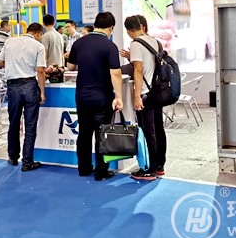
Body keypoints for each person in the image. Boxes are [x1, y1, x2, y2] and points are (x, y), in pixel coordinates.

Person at [67, 12, 124, 181]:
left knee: (84, 133)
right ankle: (101, 172)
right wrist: (118, 96)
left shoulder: (79, 43)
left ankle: (84, 168)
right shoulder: (110, 46)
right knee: (102, 134)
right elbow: (115, 73)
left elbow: (70, 67)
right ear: (111, 28)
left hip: (82, 96)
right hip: (102, 97)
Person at [120, 14, 167, 177]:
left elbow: (139, 70)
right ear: (142, 27)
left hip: (146, 93)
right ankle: (159, 165)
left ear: (128, 30)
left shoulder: (135, 44)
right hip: (157, 91)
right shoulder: (154, 41)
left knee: (147, 131)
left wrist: (137, 96)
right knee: (158, 129)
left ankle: (149, 169)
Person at [0, 23, 46, 172]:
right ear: (39, 34)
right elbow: (40, 70)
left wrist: (13, 64)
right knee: (30, 126)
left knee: (13, 123)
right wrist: (42, 92)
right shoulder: (38, 46)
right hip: (30, 86)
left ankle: (13, 157)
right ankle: (27, 162)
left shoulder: (10, 41)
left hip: (13, 87)